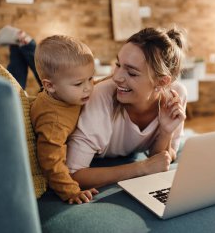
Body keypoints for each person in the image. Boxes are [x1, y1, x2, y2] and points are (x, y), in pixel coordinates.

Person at [66, 27, 188, 189]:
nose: (116, 77)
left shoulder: (175, 95)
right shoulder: (101, 95)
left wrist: (166, 132)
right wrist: (141, 168)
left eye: (132, 73)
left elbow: (161, 160)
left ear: (162, 82)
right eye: (118, 64)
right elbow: (74, 173)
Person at [30, 35, 99, 204]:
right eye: (78, 84)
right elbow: (50, 161)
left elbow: (94, 86)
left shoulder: (67, 94)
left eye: (91, 78)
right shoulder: (53, 121)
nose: (88, 88)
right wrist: (71, 192)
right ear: (50, 86)